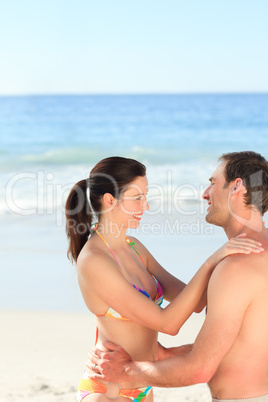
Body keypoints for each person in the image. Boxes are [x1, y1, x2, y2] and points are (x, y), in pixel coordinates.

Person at [66, 155, 263, 402]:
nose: (145, 206)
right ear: (109, 200)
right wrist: (212, 261)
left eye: (145, 197)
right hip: (109, 388)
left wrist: (236, 271)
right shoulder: (94, 260)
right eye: (137, 198)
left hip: (142, 383)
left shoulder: (134, 247)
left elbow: (196, 301)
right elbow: (167, 323)